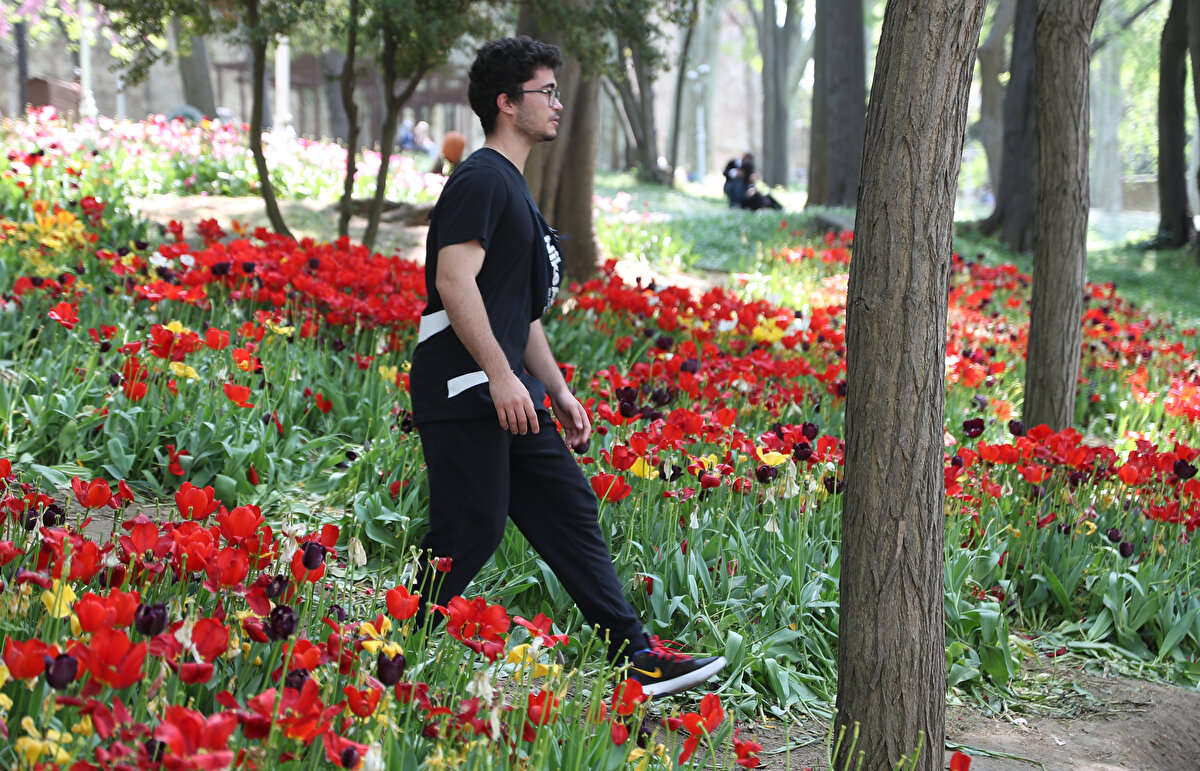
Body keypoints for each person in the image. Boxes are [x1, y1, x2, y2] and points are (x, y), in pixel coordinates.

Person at [408, 36, 726, 698]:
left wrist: (554, 387)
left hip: (507, 389)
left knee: (569, 509)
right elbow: (454, 280)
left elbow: (515, 313)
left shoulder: (511, 187)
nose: (557, 102)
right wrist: (500, 375)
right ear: (505, 102)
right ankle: (395, 644)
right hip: (466, 386)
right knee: (470, 530)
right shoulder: (480, 178)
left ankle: (637, 656)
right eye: (545, 92)